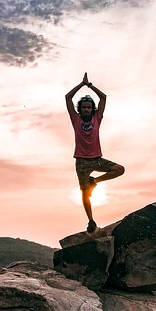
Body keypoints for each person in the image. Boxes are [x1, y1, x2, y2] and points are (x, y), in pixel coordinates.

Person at [65, 72, 125, 233]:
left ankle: (95, 181)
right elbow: (68, 97)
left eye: (88, 107)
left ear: (92, 109)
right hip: (81, 161)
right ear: (80, 109)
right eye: (84, 107)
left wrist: (89, 85)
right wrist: (80, 84)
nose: (86, 109)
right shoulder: (75, 119)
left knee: (120, 169)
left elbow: (103, 98)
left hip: (97, 159)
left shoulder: (97, 118)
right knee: (85, 194)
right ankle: (91, 221)